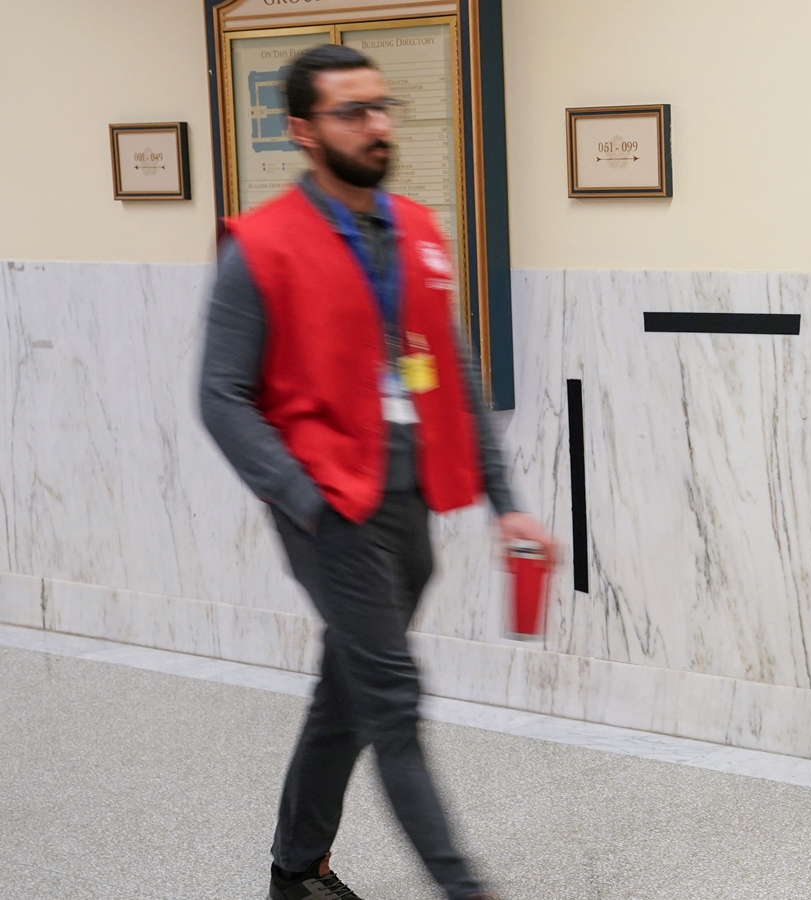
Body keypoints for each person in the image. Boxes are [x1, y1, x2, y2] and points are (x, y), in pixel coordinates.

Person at [199, 43, 554, 900]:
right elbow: (220, 395)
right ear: (303, 131)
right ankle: (466, 889)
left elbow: (454, 370)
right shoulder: (261, 248)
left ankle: (296, 868)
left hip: (408, 504)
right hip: (329, 510)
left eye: (382, 106)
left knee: (348, 691)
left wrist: (505, 503)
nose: (377, 125)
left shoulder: (416, 231)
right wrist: (299, 496)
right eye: (352, 112)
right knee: (393, 701)